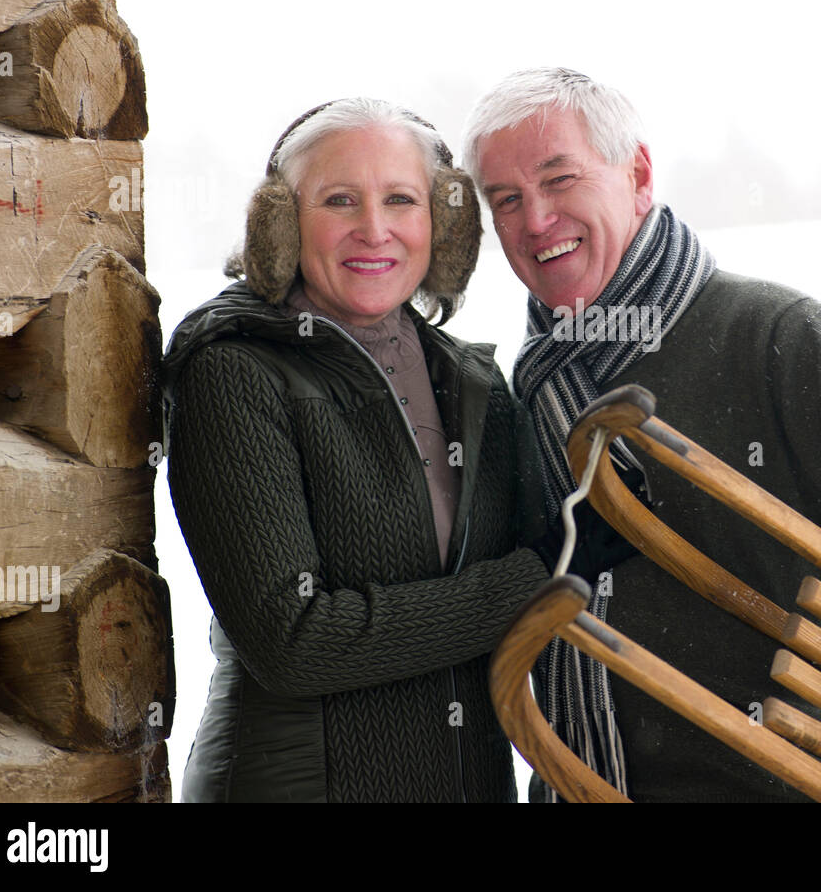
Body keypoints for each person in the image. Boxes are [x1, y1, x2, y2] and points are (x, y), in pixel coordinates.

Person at [460, 68, 821, 803]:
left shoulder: (772, 335)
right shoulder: (529, 394)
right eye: (506, 199)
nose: (535, 220)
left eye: (559, 179)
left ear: (637, 174)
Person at [162, 98, 550, 802]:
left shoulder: (475, 385)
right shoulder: (233, 372)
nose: (374, 229)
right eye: (339, 200)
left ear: (445, 223)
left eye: (400, 199)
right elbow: (292, 639)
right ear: (280, 224)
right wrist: (535, 580)